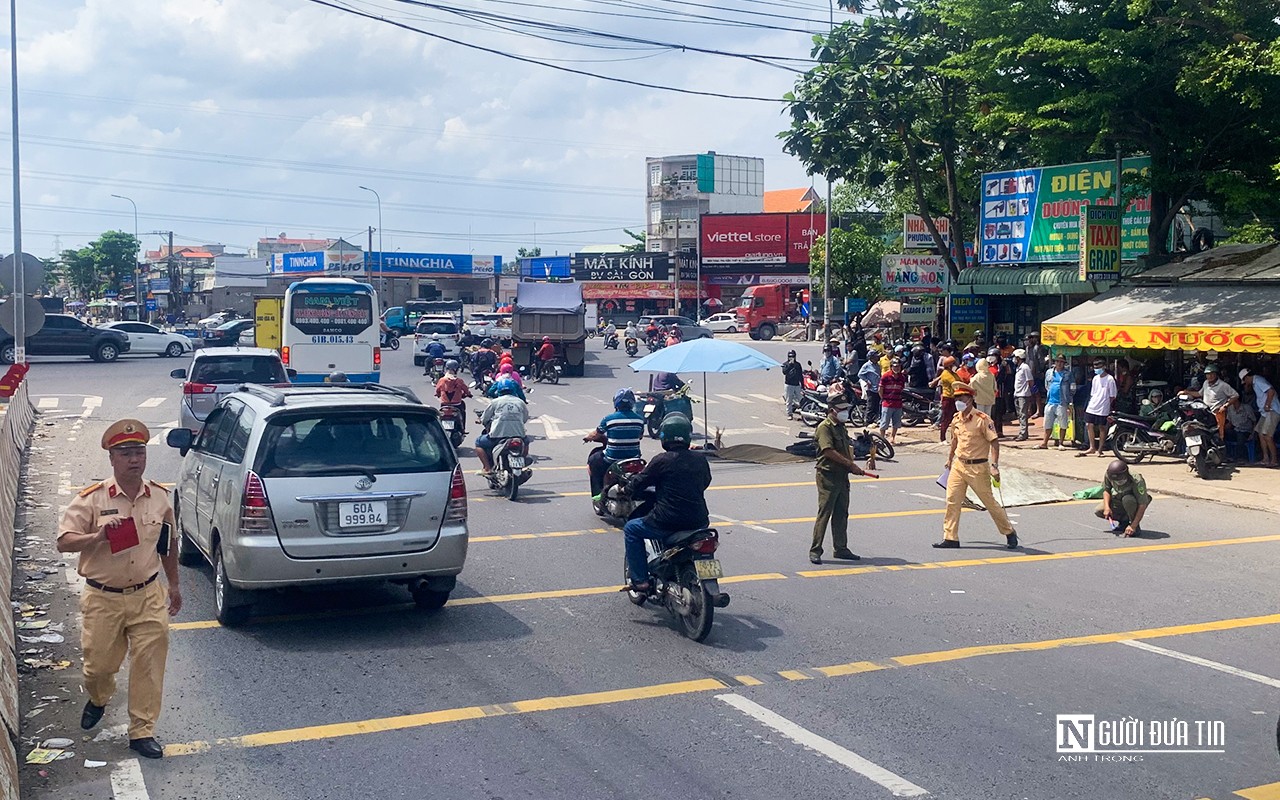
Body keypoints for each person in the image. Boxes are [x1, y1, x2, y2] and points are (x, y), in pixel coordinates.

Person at [57, 420, 181, 760]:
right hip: (103, 598)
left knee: (149, 666)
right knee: (98, 668)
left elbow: (168, 546)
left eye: (139, 452)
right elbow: (63, 542)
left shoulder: (158, 497)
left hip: (147, 595)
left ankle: (142, 731)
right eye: (125, 453)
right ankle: (99, 697)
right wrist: (96, 536)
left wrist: (175, 585)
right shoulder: (92, 500)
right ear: (112, 458)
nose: (134, 460)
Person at [622, 415, 712, 590]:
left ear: (664, 436)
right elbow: (705, 482)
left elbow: (640, 482)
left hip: (667, 521)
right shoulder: (700, 459)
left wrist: (626, 489)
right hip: (699, 520)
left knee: (631, 529)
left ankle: (640, 580)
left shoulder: (662, 460)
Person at [936, 385, 1018, 550]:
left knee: (989, 502)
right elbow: (954, 441)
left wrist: (994, 466)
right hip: (959, 465)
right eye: (956, 399)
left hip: (978, 467)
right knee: (952, 501)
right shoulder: (956, 419)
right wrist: (950, 459)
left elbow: (994, 442)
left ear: (970, 399)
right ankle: (950, 537)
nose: (958, 402)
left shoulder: (982, 419)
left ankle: (1009, 531)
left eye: (962, 399)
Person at [809, 390, 868, 564]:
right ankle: (815, 550)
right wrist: (850, 464)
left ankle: (841, 548)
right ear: (832, 409)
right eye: (841, 409)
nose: (844, 412)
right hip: (828, 476)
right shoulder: (824, 428)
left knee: (842, 513)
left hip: (842, 476)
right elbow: (828, 451)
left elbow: (845, 448)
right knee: (825, 513)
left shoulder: (841, 427)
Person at [585, 388, 647, 502]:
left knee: (594, 461)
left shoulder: (609, 419)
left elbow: (596, 434)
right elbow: (640, 436)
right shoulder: (639, 420)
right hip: (634, 458)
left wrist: (588, 437)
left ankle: (598, 494)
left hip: (612, 458)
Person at [475, 379, 529, 474]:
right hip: (519, 435)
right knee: (526, 442)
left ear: (499, 390)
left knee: (478, 443)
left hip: (497, 436)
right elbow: (524, 418)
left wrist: (482, 421)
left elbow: (485, 418)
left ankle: (487, 468)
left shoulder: (495, 402)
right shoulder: (520, 402)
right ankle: (522, 463)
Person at [1095, 460, 1151, 537]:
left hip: (1134, 502)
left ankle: (1134, 526)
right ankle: (1124, 522)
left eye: (1120, 480)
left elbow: (1142, 504)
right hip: (1118, 499)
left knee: (1127, 499)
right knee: (1099, 510)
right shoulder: (1109, 474)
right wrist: (1107, 508)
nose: (1118, 482)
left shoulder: (1136, 480)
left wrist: (1133, 526)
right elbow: (1106, 490)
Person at [1240, 367, 1280, 467]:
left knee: (1267, 436)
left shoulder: (1258, 380)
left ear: (1246, 377)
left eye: (1244, 381)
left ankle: (1274, 460)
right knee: (1260, 433)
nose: (1245, 384)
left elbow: (1271, 391)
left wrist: (1267, 404)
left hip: (1271, 410)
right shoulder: (1254, 383)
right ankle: (1265, 458)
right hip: (1264, 413)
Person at [1187, 363, 1238, 440]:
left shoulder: (1223, 385)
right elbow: (1199, 394)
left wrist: (1225, 406)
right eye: (1208, 374)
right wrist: (1186, 392)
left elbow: (1235, 395)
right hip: (1205, 414)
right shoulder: (1205, 383)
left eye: (1212, 374)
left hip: (1217, 414)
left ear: (1216, 374)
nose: (1210, 376)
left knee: (1218, 436)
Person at [1079, 358, 1118, 457]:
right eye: (1095, 367)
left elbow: (1113, 395)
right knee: (1088, 425)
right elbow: (1093, 393)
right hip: (1093, 405)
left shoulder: (1110, 379)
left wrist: (1106, 405)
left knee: (1102, 427)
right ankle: (1092, 447)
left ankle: (1100, 449)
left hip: (1103, 407)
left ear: (1104, 367)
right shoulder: (1095, 378)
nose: (1096, 369)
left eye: (1098, 367)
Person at [1037, 354, 1074, 450]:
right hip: (1050, 401)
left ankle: (1061, 443)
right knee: (1047, 423)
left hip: (1062, 402)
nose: (1059, 363)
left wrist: (1069, 401)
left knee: (1063, 423)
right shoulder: (1049, 372)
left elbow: (1072, 387)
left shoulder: (1068, 374)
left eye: (1061, 362)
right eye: (1058, 361)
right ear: (1055, 362)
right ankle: (1044, 442)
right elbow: (1046, 385)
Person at [435, 360, 472, 434]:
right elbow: (466, 390)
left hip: (444, 405)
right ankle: (463, 429)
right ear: (456, 369)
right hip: (457, 405)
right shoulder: (459, 381)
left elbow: (437, 390)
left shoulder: (442, 380)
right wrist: (469, 394)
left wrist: (438, 395)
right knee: (462, 412)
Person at [933, 356, 958, 442]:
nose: (956, 365)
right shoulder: (946, 374)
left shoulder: (953, 373)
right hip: (948, 398)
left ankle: (954, 438)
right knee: (946, 419)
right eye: (954, 364)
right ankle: (942, 438)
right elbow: (955, 383)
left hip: (955, 398)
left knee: (956, 420)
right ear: (950, 365)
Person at [1012, 349, 1035, 441]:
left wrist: (1031, 393)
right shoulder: (1018, 368)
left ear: (1019, 358)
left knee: (1023, 414)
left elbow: (1030, 381)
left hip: (1023, 394)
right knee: (1019, 415)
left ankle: (1023, 433)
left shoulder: (1025, 367)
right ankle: (1022, 432)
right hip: (1017, 394)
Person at [1026, 332, 1050, 418]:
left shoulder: (1038, 348)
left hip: (1036, 375)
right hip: (1029, 374)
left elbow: (1041, 362)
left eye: (1031, 338)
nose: (1029, 341)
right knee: (1030, 392)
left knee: (1037, 393)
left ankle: (1039, 410)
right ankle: (1030, 409)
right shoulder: (1028, 348)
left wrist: (1040, 371)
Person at [858, 350, 881, 425]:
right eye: (875, 356)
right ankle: (867, 421)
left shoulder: (877, 365)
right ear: (871, 357)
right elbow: (860, 374)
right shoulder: (866, 365)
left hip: (877, 388)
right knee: (870, 405)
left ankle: (874, 419)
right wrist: (867, 381)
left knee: (877, 405)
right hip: (871, 389)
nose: (877, 357)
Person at [782, 350, 804, 419]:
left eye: (793, 356)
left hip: (797, 384)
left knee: (801, 399)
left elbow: (800, 375)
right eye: (790, 356)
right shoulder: (785, 364)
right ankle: (789, 414)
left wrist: (802, 384)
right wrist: (790, 365)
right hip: (789, 384)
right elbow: (784, 372)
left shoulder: (798, 364)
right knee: (789, 400)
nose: (791, 358)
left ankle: (804, 413)